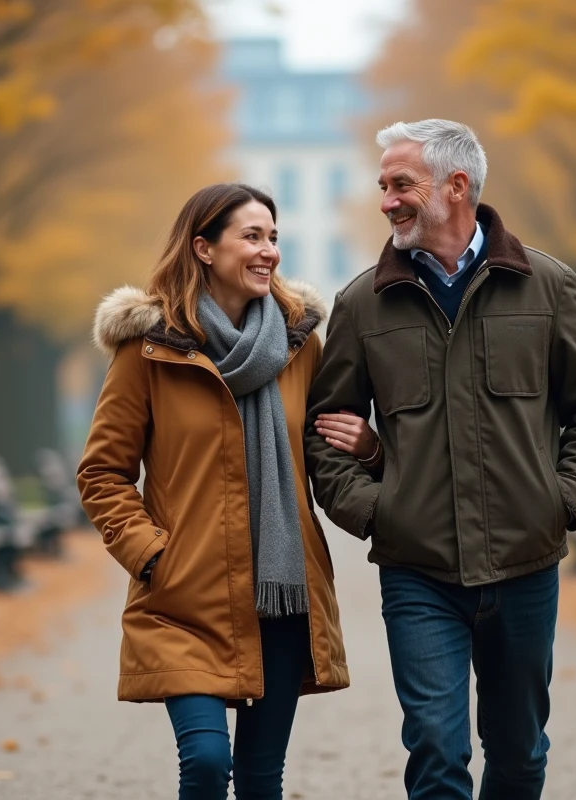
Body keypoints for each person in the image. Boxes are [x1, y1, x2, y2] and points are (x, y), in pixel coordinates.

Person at [306, 120, 576, 800]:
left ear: (457, 186)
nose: (387, 201)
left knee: (519, 752)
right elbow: (323, 433)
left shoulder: (548, 286)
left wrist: (564, 502)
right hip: (417, 569)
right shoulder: (362, 304)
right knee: (435, 749)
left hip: (525, 562)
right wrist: (378, 513)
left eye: (401, 185)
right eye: (383, 186)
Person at [78, 183, 379, 800]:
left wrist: (372, 452)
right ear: (204, 248)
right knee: (208, 762)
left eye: (274, 237)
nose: (269, 251)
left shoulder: (300, 344)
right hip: (186, 595)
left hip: (281, 595)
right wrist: (152, 555)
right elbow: (102, 472)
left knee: (262, 781)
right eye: (252, 236)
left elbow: (325, 455)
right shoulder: (149, 349)